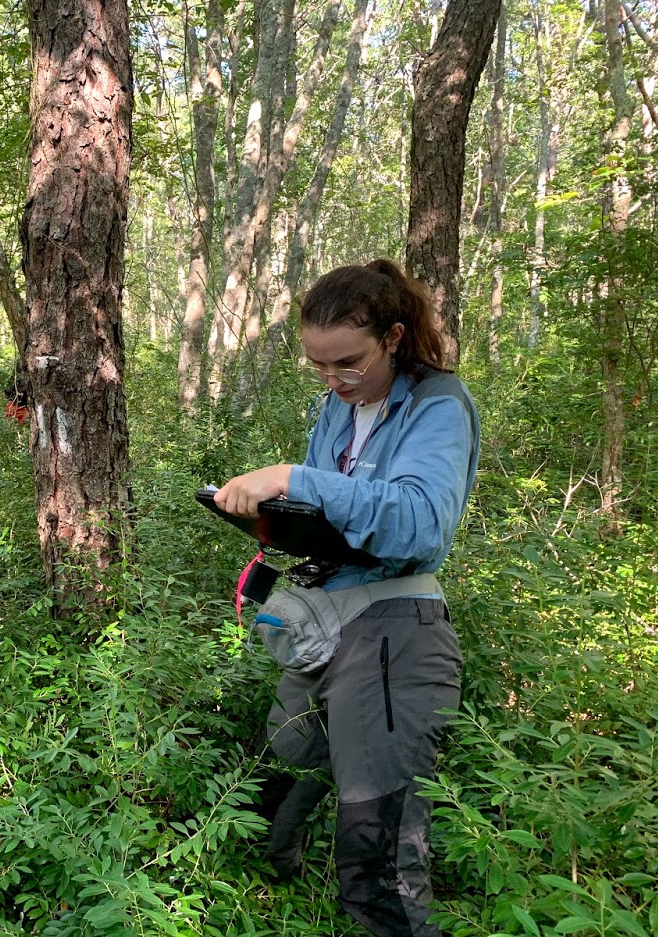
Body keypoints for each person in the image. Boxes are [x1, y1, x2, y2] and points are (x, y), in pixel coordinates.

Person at [214, 259, 479, 937]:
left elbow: (418, 520)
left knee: (377, 833)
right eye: (318, 366)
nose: (332, 381)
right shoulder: (334, 408)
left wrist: (293, 477)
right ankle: (261, 895)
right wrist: (274, 516)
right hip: (322, 609)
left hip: (394, 626)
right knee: (278, 774)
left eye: (347, 364)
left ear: (392, 336)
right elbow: (331, 511)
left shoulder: (438, 406)